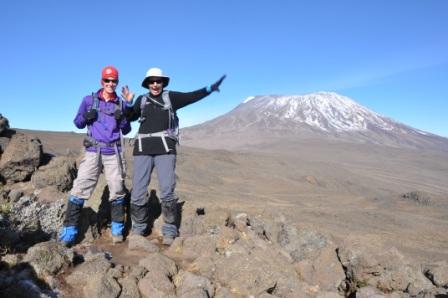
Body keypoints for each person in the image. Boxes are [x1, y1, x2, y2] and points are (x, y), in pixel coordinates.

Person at [122, 67, 225, 245]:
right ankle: (139, 227)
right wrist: (130, 103)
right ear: (147, 84)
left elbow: (192, 96)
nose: (155, 84)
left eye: (158, 81)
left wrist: (209, 89)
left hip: (165, 149)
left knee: (167, 189)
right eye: (151, 81)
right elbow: (130, 118)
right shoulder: (142, 99)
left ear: (163, 82)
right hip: (142, 149)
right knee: (138, 190)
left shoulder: (171, 98)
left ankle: (169, 229)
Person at [59, 66, 132, 246]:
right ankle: (70, 230)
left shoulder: (120, 103)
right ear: (102, 81)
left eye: (114, 81)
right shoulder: (89, 100)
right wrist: (86, 116)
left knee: (117, 188)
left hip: (113, 151)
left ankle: (117, 230)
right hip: (93, 151)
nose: (110, 84)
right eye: (107, 80)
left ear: (117, 82)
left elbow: (127, 129)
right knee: (81, 186)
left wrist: (122, 117)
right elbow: (77, 123)